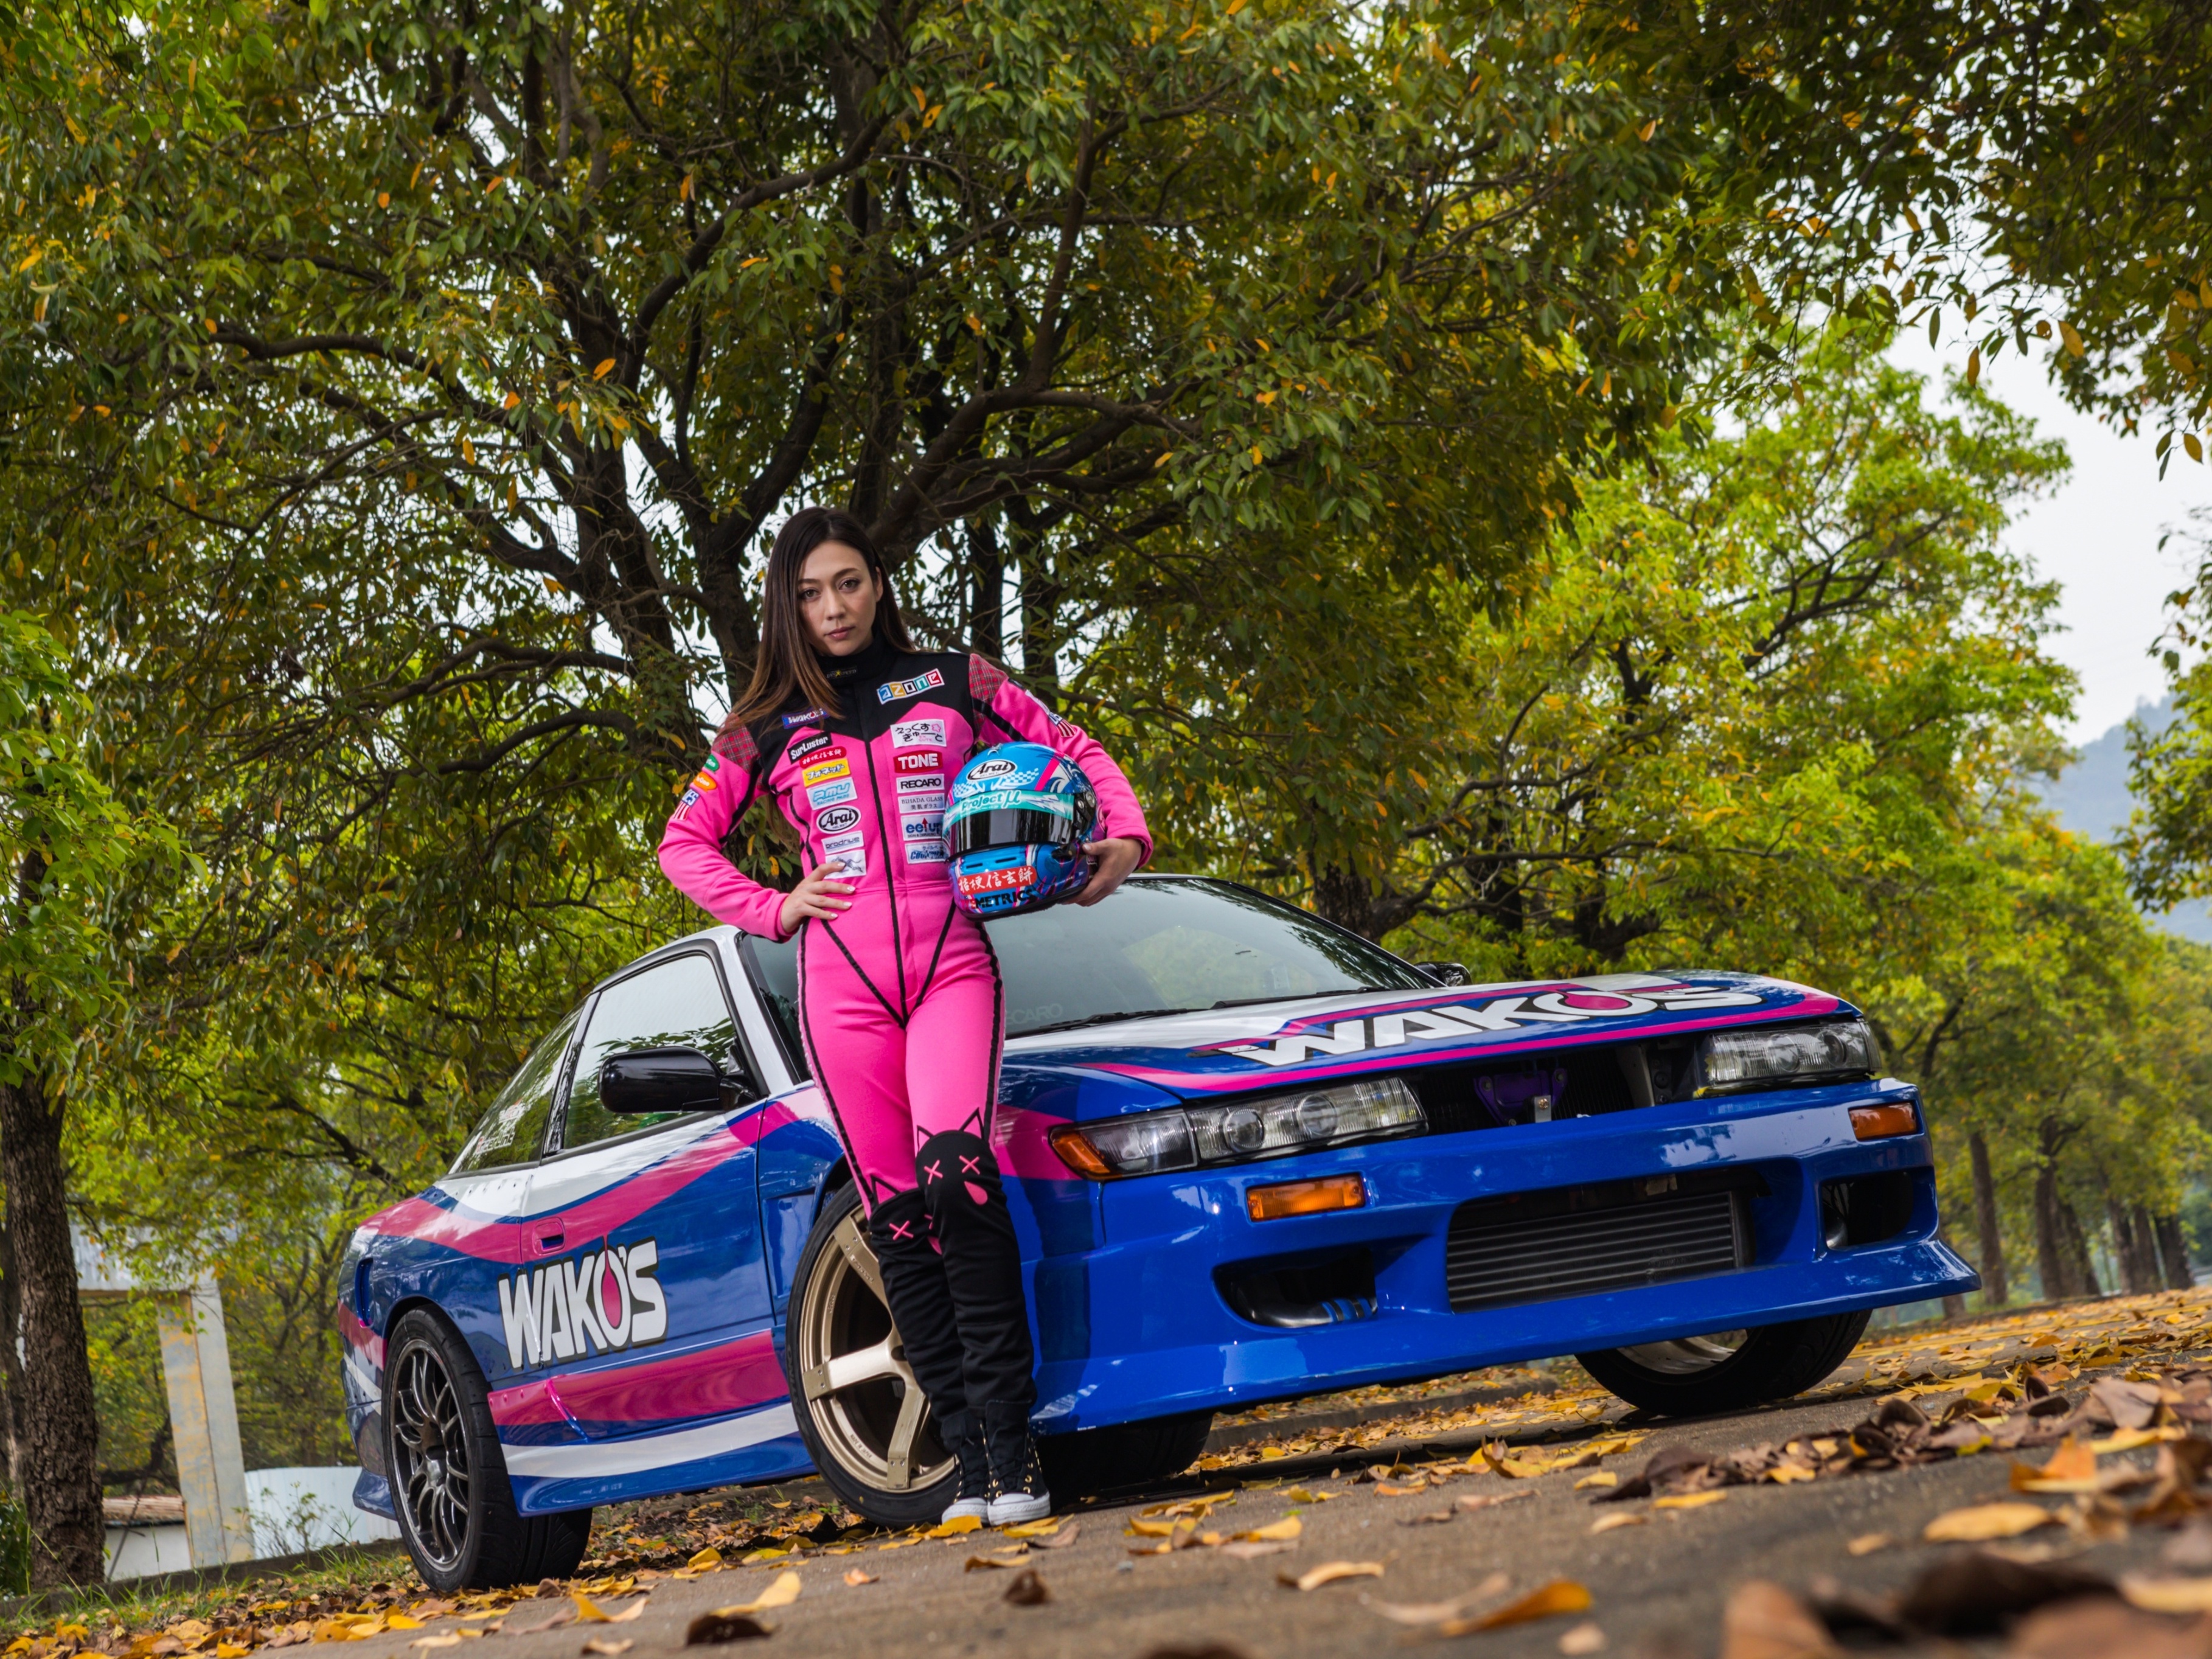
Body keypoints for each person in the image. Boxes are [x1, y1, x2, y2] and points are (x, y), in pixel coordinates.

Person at [656, 507, 1152, 1524]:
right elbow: (682, 843)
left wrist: (1126, 840)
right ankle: (965, 1464)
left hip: (950, 964)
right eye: (807, 593)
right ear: (785, 609)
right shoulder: (764, 727)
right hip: (840, 985)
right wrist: (772, 909)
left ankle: (1015, 1457)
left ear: (879, 582)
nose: (831, 607)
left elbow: (1075, 748)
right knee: (893, 1214)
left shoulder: (956, 682)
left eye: (847, 582)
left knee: (957, 1178)